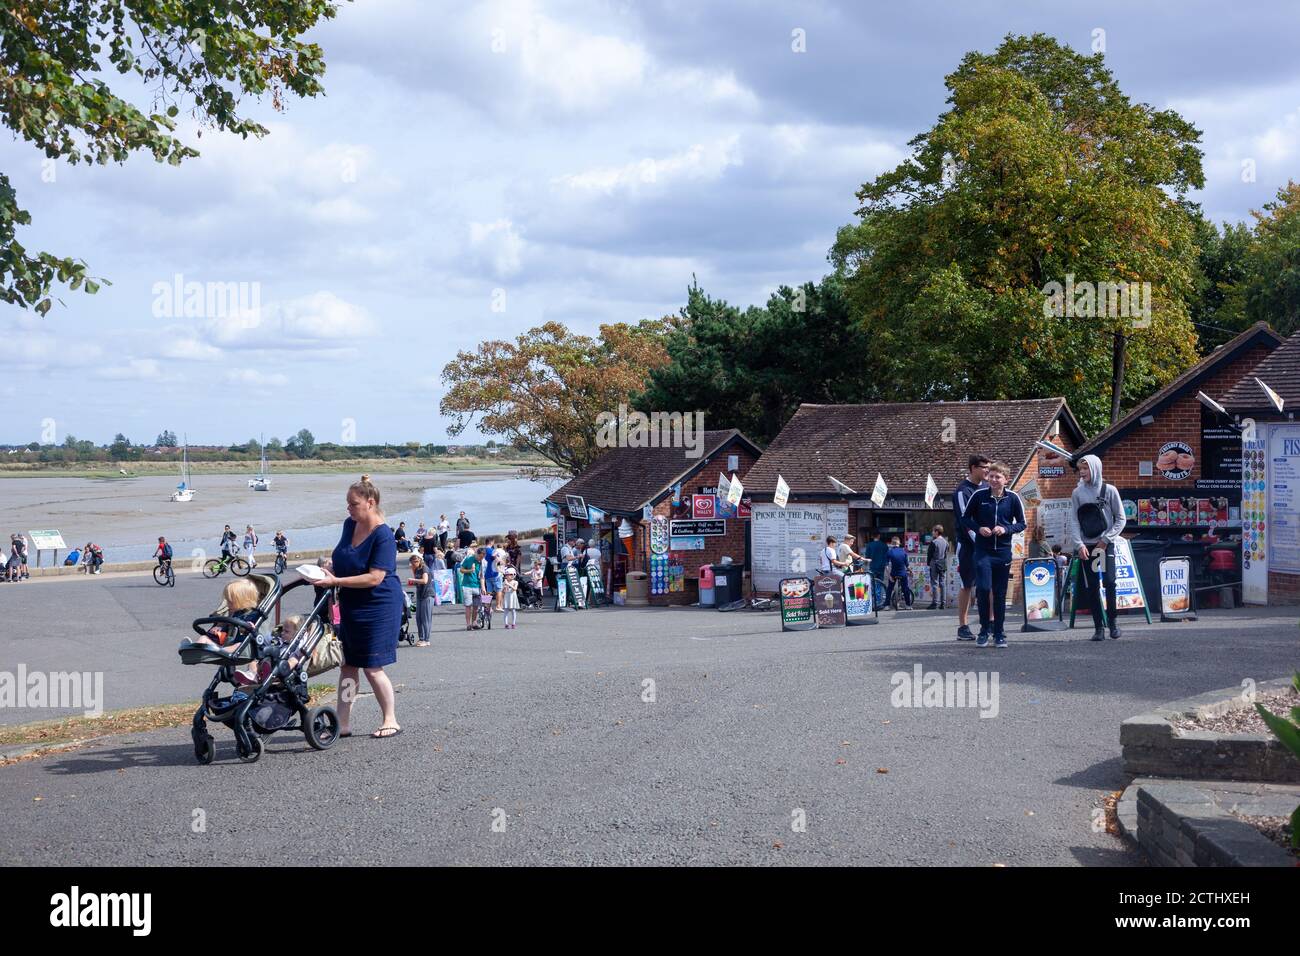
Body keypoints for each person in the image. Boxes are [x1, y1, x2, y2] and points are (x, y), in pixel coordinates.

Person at [314, 475, 403, 739]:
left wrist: (336, 580)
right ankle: (342, 722)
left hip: (380, 603)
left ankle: (391, 719)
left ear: (370, 503)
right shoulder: (349, 525)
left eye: (353, 504)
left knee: (372, 666)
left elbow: (376, 577)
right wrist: (330, 567)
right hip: (352, 601)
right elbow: (342, 556)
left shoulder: (384, 535)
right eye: (348, 503)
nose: (348, 508)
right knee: (348, 665)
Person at [960, 460, 1026, 648]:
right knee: (983, 589)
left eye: (998, 477)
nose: (994, 479)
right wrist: (979, 528)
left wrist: (1005, 529)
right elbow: (965, 518)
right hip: (983, 552)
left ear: (1006, 479)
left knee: (999, 593)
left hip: (1003, 552)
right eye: (991, 476)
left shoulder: (1013, 498)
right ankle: (983, 631)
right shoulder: (979, 495)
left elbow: (1022, 523)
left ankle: (999, 633)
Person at [1066, 453, 1127, 641]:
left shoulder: (1109, 490)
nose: (1082, 472)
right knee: (1092, 585)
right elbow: (1074, 521)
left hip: (1103, 546)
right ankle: (1098, 627)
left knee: (1109, 582)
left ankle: (1113, 623)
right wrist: (1079, 544)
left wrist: (1107, 539)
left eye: (1085, 469)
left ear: (1095, 468)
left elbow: (1121, 519)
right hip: (1088, 546)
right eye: (1080, 469)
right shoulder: (1077, 493)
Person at [953, 454, 990, 641]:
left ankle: (990, 623)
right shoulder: (963, 491)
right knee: (967, 584)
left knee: (989, 584)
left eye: (988, 467)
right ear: (973, 468)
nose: (987, 471)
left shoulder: (987, 487)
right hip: (968, 544)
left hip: (987, 542)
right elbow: (965, 521)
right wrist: (980, 540)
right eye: (984, 467)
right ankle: (963, 626)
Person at [407, 554, 433, 647]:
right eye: (412, 562)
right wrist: (413, 573)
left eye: (416, 561)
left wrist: (413, 579)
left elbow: (425, 581)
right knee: (418, 618)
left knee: (426, 618)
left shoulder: (424, 568)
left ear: (420, 560)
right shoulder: (416, 569)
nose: (414, 563)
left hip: (427, 594)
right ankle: (421, 638)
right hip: (420, 595)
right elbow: (416, 581)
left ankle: (426, 639)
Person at [458, 543, 482, 630]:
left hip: (477, 585)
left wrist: (483, 587)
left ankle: (474, 622)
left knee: (476, 606)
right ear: (477, 554)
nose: (480, 559)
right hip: (467, 585)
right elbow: (461, 570)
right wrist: (469, 570)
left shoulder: (483, 562)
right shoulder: (469, 559)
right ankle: (468, 624)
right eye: (480, 557)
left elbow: (482, 576)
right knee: (468, 605)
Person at [885, 537, 913, 609]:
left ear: (891, 544)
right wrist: (911, 571)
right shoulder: (903, 552)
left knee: (889, 589)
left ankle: (886, 606)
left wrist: (889, 576)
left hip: (893, 574)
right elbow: (907, 565)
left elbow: (887, 566)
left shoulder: (889, 552)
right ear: (899, 543)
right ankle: (908, 605)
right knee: (905, 589)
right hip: (902, 574)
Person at [926, 526, 949, 610]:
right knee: (942, 583)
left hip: (934, 563)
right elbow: (946, 554)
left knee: (935, 583)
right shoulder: (946, 542)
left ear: (936, 532)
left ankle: (935, 603)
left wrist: (928, 563)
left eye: (933, 531)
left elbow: (929, 555)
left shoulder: (934, 542)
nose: (932, 532)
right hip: (942, 562)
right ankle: (943, 603)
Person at [865, 532, 889, 605]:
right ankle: (878, 601)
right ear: (879, 536)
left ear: (872, 536)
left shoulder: (869, 545)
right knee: (879, 583)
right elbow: (887, 557)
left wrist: (866, 565)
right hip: (881, 567)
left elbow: (867, 556)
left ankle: (873, 601)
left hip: (872, 567)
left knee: (873, 583)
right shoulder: (884, 545)